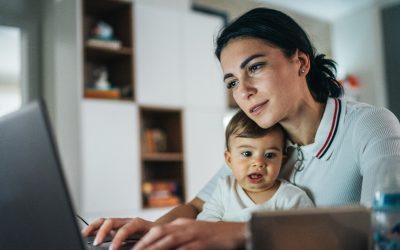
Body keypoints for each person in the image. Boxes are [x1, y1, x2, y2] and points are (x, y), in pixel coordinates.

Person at [83, 7, 400, 250]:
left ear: (301, 62)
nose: (243, 90)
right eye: (232, 82)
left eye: (256, 67)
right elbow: (196, 207)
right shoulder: (262, 139)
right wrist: (150, 233)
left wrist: (239, 232)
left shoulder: (369, 124)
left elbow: (387, 231)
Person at [197, 109, 314, 222]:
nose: (258, 162)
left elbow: (307, 234)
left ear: (282, 162)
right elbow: (206, 221)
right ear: (229, 159)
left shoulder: (291, 198)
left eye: (269, 155)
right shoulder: (225, 188)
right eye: (247, 153)